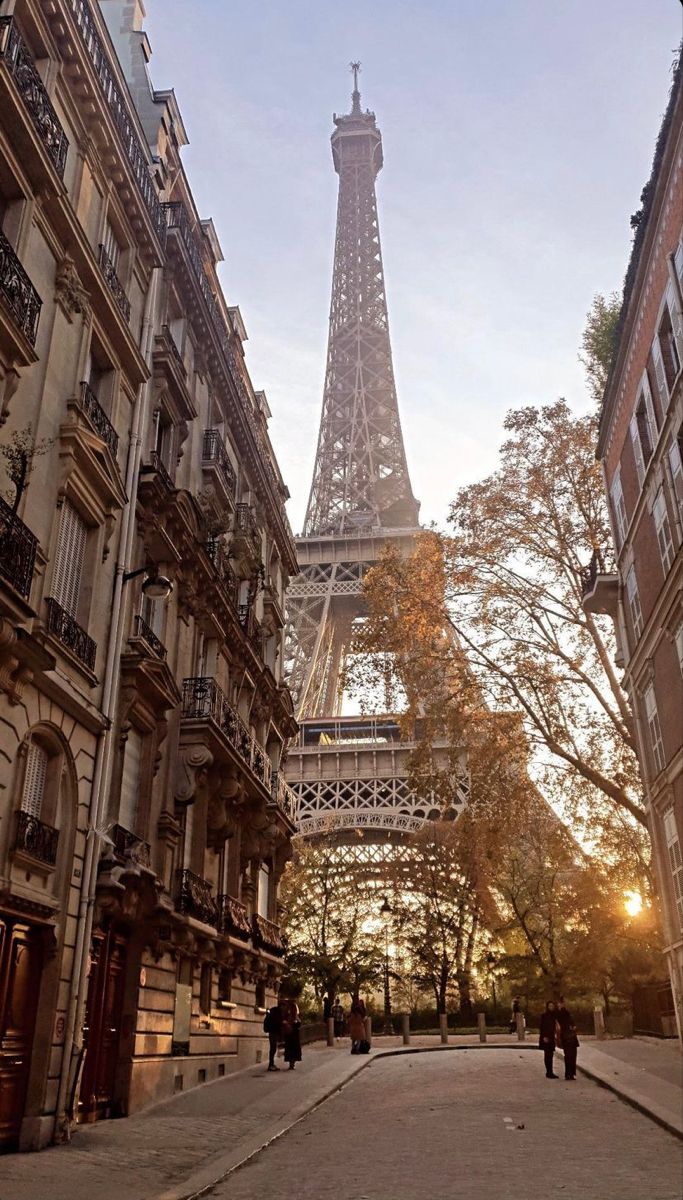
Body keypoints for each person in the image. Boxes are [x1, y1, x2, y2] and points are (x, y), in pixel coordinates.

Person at [556, 996, 579, 1080]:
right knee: (569, 1055)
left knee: (572, 1055)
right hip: (566, 1036)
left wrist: (574, 1026)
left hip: (570, 1035)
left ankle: (571, 1073)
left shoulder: (567, 1012)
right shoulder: (560, 1013)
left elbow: (572, 1022)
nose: (562, 1004)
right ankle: (569, 1073)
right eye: (561, 1003)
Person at [538, 1000, 559, 1078]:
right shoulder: (544, 1015)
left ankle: (550, 1071)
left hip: (551, 1036)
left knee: (550, 1054)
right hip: (546, 1036)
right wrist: (544, 1036)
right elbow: (542, 1027)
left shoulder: (554, 1015)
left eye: (552, 1006)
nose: (551, 1007)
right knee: (547, 1054)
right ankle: (548, 1071)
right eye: (550, 1006)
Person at [281, 997, 302, 1070]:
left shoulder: (289, 1011)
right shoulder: (292, 1012)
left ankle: (291, 1063)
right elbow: (298, 1023)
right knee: (293, 1049)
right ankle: (292, 1063)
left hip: (291, 1034)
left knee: (291, 1049)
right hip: (293, 1034)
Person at [264, 999, 283, 1072]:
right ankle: (271, 1065)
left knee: (273, 1048)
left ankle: (271, 1064)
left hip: (272, 1032)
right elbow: (278, 1023)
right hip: (273, 1032)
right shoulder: (277, 1013)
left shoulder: (274, 1011)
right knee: (273, 1048)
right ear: (281, 1006)